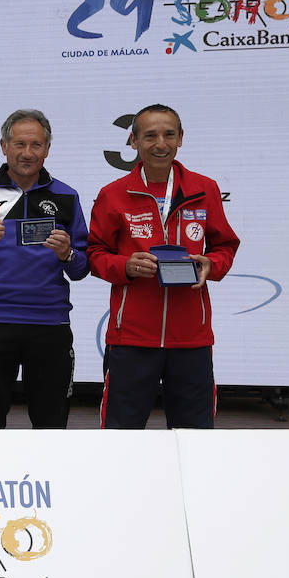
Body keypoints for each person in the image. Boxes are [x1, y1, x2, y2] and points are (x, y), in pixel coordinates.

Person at [87, 104, 239, 429]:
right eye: (150, 136)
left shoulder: (205, 189)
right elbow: (95, 254)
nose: (161, 144)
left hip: (191, 338)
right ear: (133, 141)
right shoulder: (113, 194)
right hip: (131, 338)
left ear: (181, 138)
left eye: (169, 134)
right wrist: (125, 265)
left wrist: (211, 264)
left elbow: (225, 245)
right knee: (121, 436)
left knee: (194, 437)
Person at [0, 109, 89, 428]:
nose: (27, 153)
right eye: (19, 144)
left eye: (36, 145)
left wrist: (67, 254)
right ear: (4, 146)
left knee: (52, 426)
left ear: (47, 149)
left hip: (50, 325)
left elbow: (82, 268)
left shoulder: (66, 195)